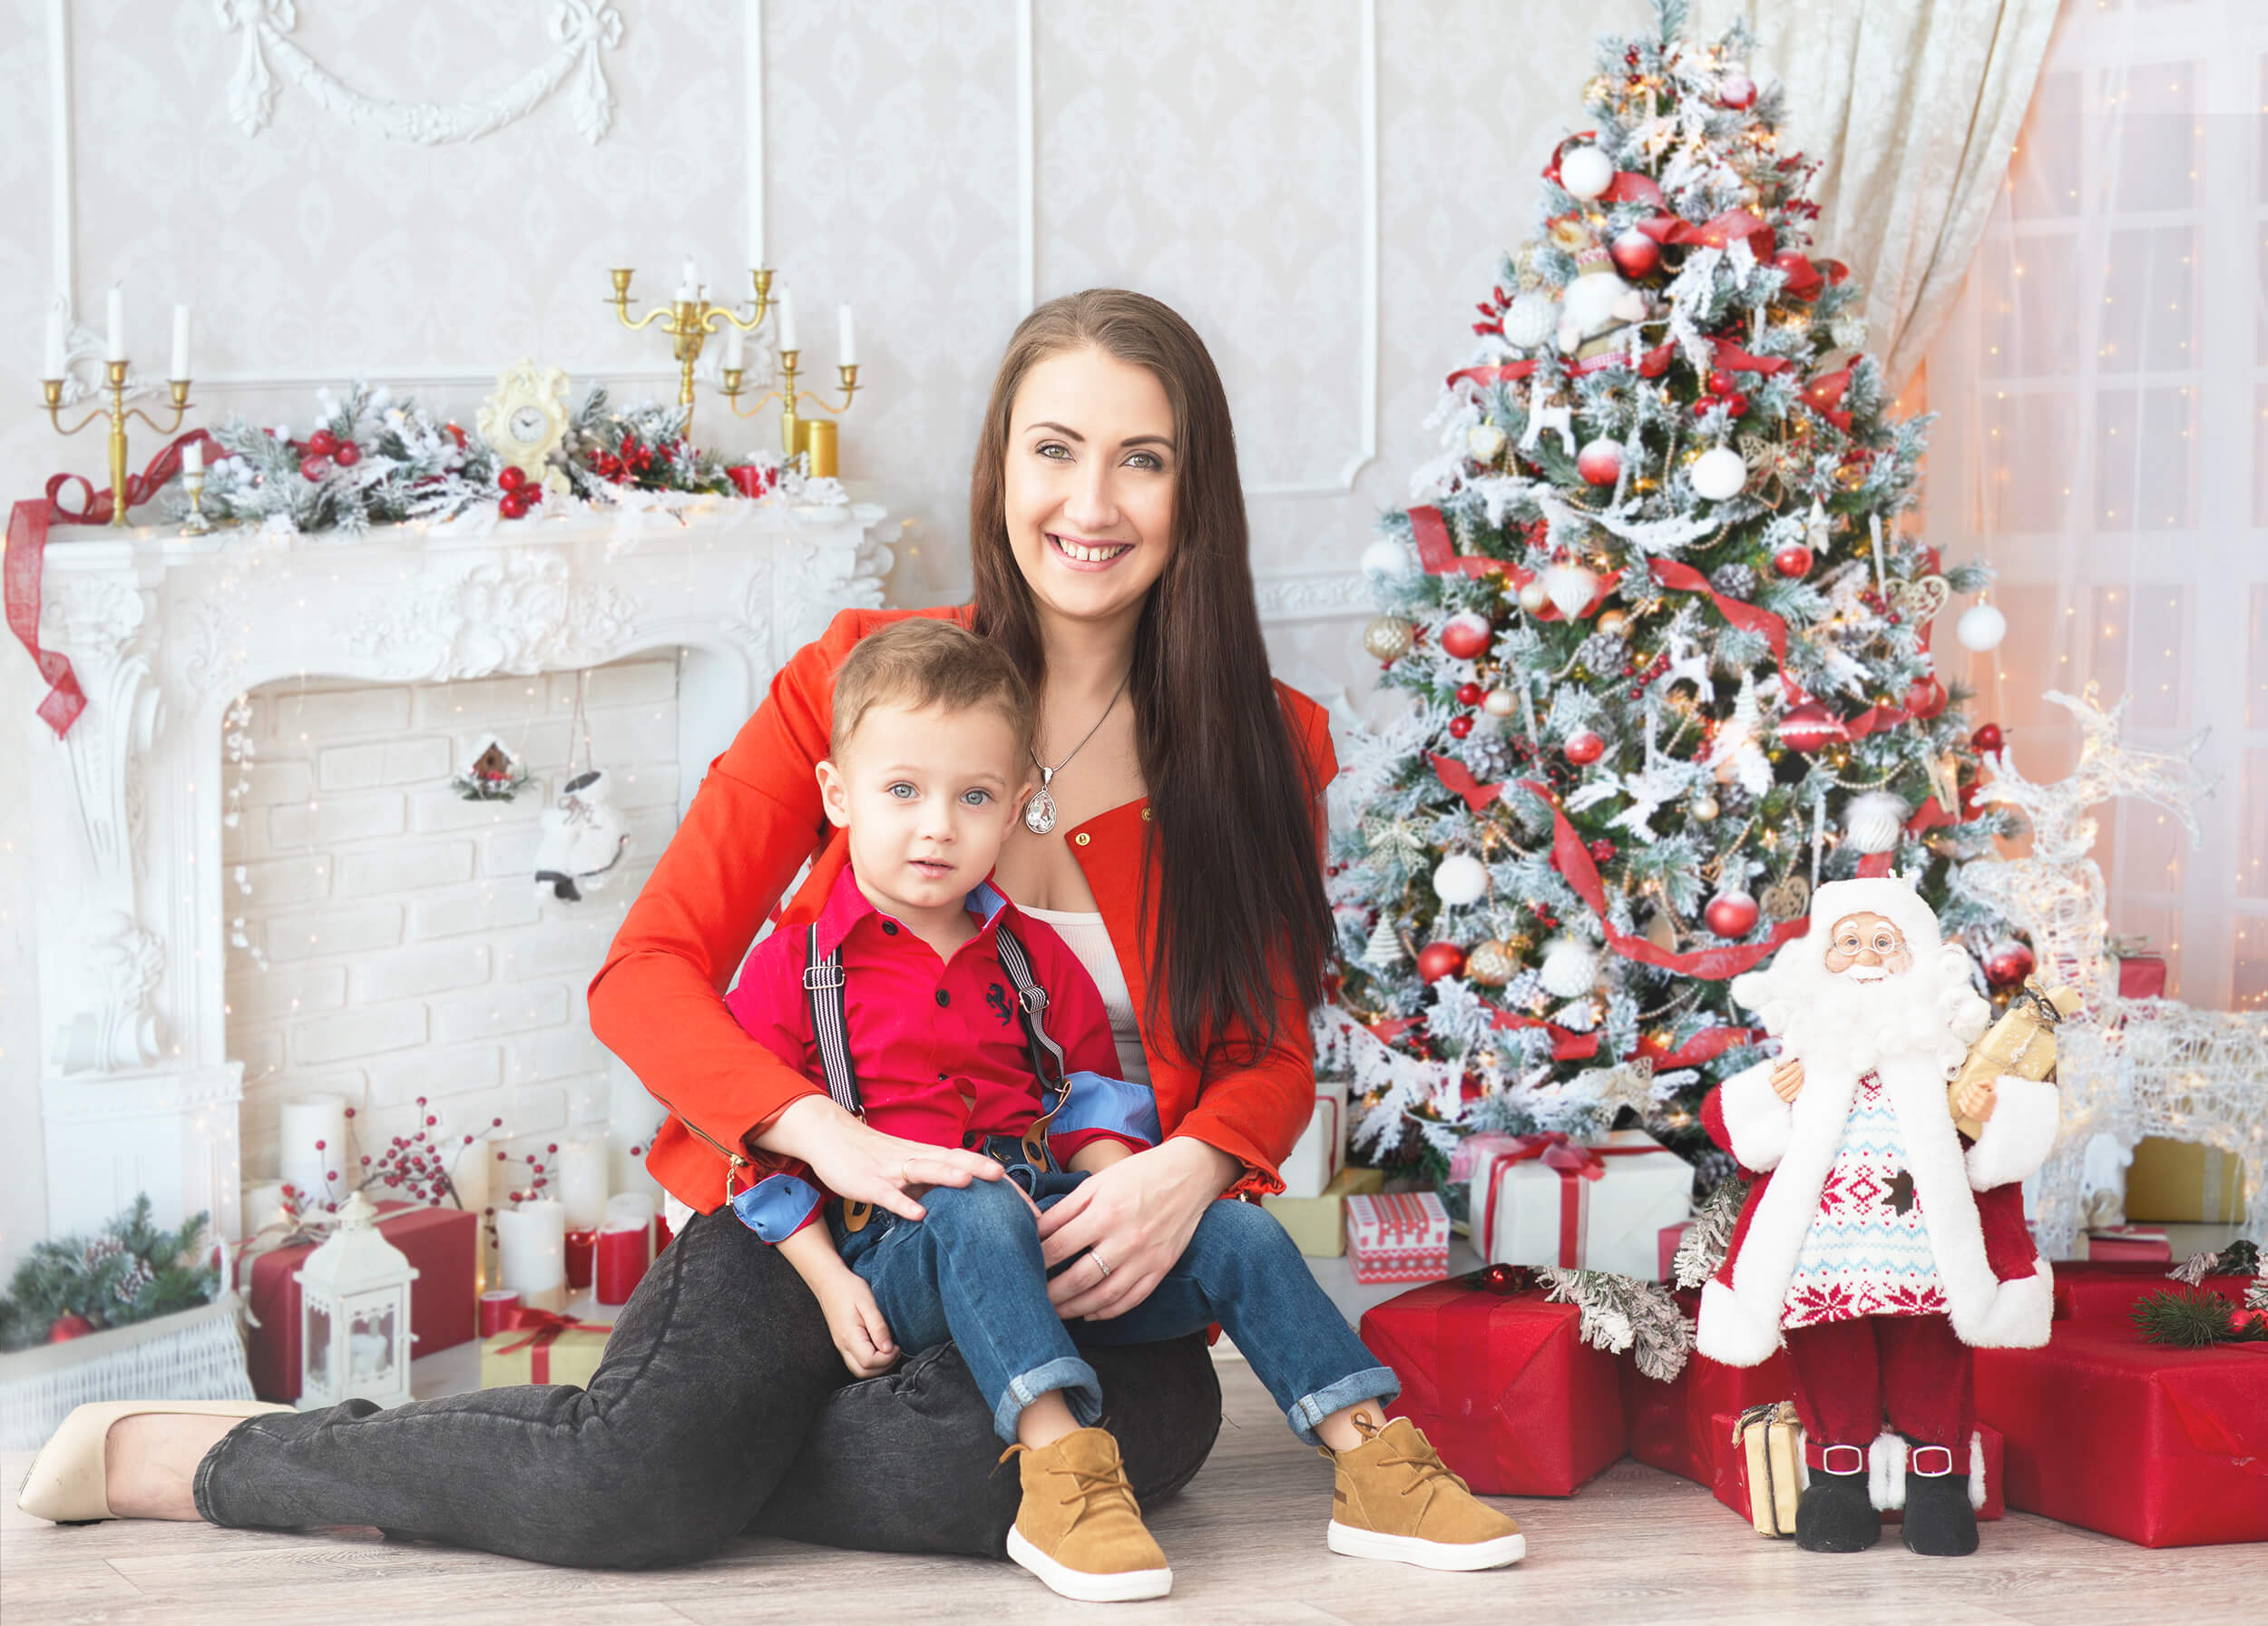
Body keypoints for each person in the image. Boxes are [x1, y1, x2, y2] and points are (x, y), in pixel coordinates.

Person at [15, 291, 1437, 1570]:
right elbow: (647, 974)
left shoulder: (1266, 746)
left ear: (1198, 492)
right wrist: (828, 1138)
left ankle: (667, 1453)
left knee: (1004, 1470)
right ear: (1001, 465)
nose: (1093, 500)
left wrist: (1185, 1172)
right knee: (627, 1497)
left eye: (1144, 458)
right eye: (1055, 448)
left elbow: (1264, 1051)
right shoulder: (857, 679)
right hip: (811, 1222)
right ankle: (221, 1456)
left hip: (1086, 1264)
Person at [728, 617, 1521, 1601]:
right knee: (974, 1205)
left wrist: (1123, 1205)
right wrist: (824, 1278)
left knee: (1235, 1231)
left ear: (1018, 806)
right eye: (902, 791)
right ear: (837, 794)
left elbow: (1087, 1102)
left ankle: (1375, 1465)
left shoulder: (1032, 960)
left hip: (1039, 1224)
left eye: (973, 797)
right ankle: (1062, 1478)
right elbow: (751, 1149)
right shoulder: (794, 967)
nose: (936, 825)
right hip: (895, 1248)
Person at [1697, 875, 2058, 1558]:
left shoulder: (1947, 1056)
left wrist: (1991, 1114)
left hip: (1926, 1244)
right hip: (1824, 1249)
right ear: (1817, 962)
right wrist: (1765, 1098)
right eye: (1849, 942)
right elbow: (1742, 1139)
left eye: (1884, 942)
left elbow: (1998, 1150)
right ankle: (1838, 1480)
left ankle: (1938, 1483)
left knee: (1933, 1355)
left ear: (1918, 960)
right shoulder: (1806, 1055)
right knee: (1831, 1356)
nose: (1866, 957)